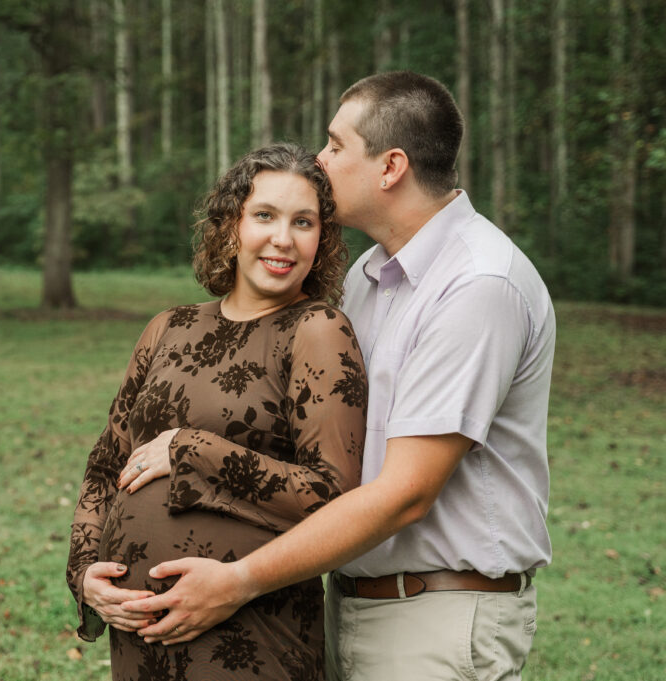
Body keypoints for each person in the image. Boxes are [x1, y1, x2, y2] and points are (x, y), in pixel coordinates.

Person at [122, 71, 556, 681]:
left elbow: (407, 492)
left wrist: (237, 581)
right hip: (348, 602)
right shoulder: (369, 277)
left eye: (335, 144)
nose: (320, 162)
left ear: (391, 167)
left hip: (435, 614)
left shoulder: (477, 285)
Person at [66, 142, 367, 680]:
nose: (283, 238)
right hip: (139, 637)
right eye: (265, 215)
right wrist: (86, 570)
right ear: (230, 226)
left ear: (321, 242)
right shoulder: (169, 326)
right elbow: (104, 467)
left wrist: (192, 450)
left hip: (249, 633)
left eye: (304, 222)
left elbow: (333, 497)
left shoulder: (317, 331)